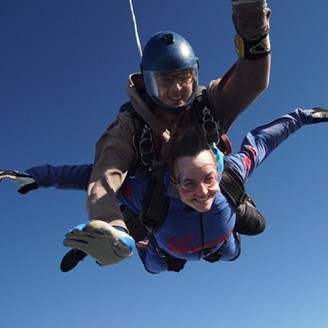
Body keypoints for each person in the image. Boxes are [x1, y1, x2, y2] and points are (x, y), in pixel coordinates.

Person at [0, 1, 272, 269]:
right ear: (147, 81)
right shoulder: (130, 128)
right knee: (159, 257)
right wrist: (111, 224)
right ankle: (148, 246)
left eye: (184, 77)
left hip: (210, 201)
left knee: (247, 231)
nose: (177, 89)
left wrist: (251, 14)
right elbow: (104, 176)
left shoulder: (208, 107)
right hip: (160, 212)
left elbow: (252, 79)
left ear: (195, 74)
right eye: (165, 81)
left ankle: (227, 220)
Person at [3, 108, 327, 273]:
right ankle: (124, 239)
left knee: (245, 237)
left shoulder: (233, 171)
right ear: (174, 178)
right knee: (149, 254)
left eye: (208, 179)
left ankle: (241, 209)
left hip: (221, 241)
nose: (202, 192)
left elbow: (265, 139)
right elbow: (92, 175)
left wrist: (304, 116)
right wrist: (38, 177)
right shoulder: (150, 191)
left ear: (217, 170)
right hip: (167, 252)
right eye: (188, 182)